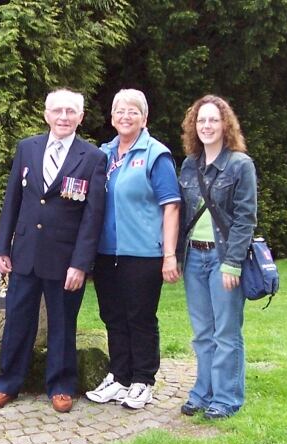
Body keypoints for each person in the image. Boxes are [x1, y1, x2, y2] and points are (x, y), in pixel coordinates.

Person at [0, 88, 107, 413]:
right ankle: (6, 383)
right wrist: (1, 247)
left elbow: (92, 218)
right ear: (46, 114)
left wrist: (81, 264)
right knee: (17, 322)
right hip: (24, 254)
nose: (64, 117)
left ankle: (62, 385)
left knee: (63, 324)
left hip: (65, 260)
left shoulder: (93, 158)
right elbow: (12, 200)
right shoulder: (27, 148)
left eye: (71, 111)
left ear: (81, 117)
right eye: (57, 111)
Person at [85, 89, 181, 410]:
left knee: (139, 317)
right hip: (106, 252)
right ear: (111, 117)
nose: (125, 116)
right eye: (119, 111)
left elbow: (171, 207)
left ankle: (143, 380)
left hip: (143, 253)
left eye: (133, 111)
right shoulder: (103, 154)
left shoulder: (156, 154)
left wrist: (169, 254)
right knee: (112, 315)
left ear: (144, 118)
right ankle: (119, 376)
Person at [177, 95, 257, 420]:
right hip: (194, 258)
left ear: (226, 124)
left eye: (213, 119)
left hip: (223, 258)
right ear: (193, 127)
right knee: (202, 332)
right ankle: (203, 392)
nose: (207, 126)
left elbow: (245, 218)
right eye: (201, 120)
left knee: (226, 332)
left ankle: (226, 397)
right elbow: (182, 214)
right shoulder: (188, 164)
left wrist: (233, 262)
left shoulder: (240, 165)